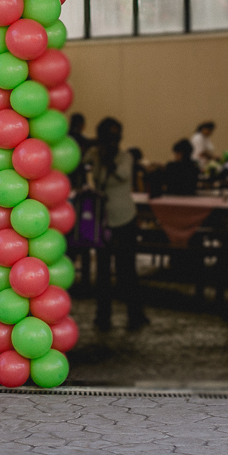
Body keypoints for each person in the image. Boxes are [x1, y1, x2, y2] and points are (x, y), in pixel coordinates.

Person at [83, 117, 148, 331]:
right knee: (102, 269)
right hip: (103, 219)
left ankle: (135, 313)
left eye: (116, 136)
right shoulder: (94, 155)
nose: (113, 140)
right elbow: (81, 165)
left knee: (127, 267)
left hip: (125, 218)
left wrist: (108, 160)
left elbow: (123, 175)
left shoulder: (125, 157)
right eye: (108, 136)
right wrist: (93, 150)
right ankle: (103, 315)